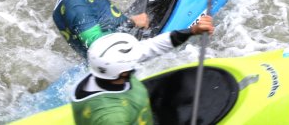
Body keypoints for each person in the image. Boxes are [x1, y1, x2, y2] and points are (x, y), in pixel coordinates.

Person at [72, 24, 215, 125]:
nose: (137, 61)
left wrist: (191, 31)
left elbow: (151, 47)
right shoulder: (112, 117)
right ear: (123, 73)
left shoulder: (106, 71)